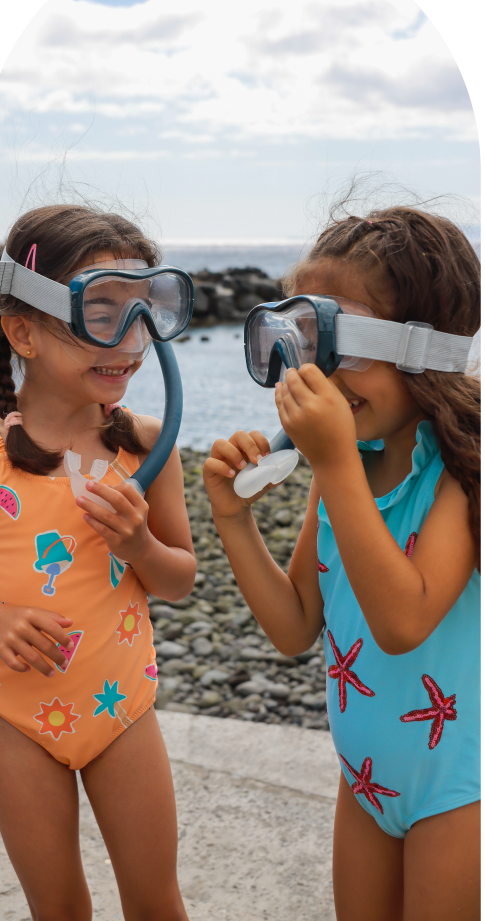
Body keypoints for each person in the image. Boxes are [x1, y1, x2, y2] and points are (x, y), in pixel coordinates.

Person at [203, 207, 481, 921]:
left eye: (337, 346)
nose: (316, 375)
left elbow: (402, 621)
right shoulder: (344, 468)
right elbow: (298, 626)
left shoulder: (458, 475)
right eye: (297, 346)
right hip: (363, 781)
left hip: (457, 787)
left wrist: (331, 463)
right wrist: (233, 522)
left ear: (421, 349)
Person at [0, 205, 197, 921]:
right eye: (101, 312)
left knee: (156, 900)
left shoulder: (144, 444)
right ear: (23, 331)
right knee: (58, 908)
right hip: (16, 719)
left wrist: (138, 547)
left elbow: (177, 580)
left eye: (145, 313)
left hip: (122, 714)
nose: (129, 341)